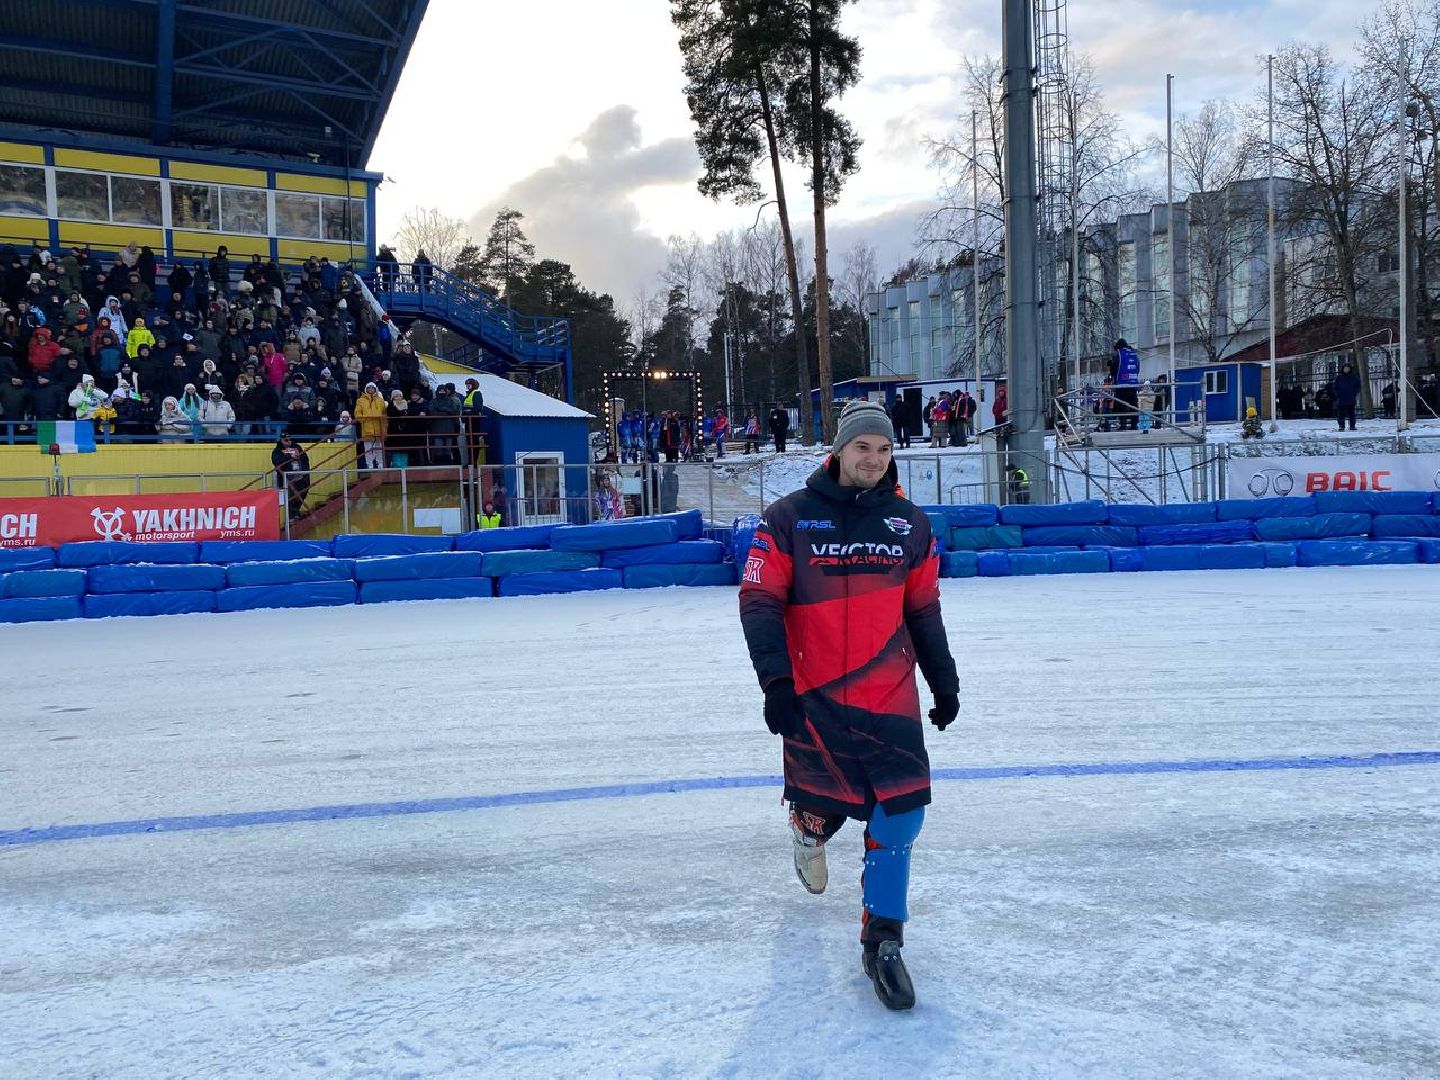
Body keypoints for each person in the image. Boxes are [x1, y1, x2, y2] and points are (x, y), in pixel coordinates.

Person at [738, 399, 959, 1011]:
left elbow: (924, 609)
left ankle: (883, 939)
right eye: (863, 447)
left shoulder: (909, 524)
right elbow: (759, 602)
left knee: (902, 818)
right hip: (814, 696)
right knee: (826, 809)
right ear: (838, 450)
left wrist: (945, 681)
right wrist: (775, 684)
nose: (874, 458)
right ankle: (808, 829)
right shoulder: (787, 519)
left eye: (884, 449)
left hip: (889, 697)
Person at [272, 431, 311, 520]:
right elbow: (276, 461)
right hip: (287, 478)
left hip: (300, 475)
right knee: (289, 496)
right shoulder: (277, 450)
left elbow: (305, 459)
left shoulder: (297, 447)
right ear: (281, 440)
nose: (288, 441)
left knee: (303, 492)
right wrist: (290, 457)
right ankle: (292, 516)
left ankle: (296, 511)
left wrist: (305, 471)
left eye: (290, 439)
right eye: (286, 440)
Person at [354, 381, 388, 469]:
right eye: (369, 388)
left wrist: (384, 425)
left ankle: (380, 463)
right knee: (368, 448)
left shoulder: (380, 400)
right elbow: (357, 414)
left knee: (379, 448)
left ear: (375, 389)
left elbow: (384, 414)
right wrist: (365, 420)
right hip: (367, 427)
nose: (371, 389)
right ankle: (369, 464)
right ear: (366, 389)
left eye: (372, 388)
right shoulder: (360, 400)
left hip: (378, 427)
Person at [1109, 339, 1141, 429]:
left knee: (1121, 404)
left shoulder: (1118, 354)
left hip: (1121, 384)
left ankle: (1123, 424)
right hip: (1133, 384)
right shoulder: (1134, 354)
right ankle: (1134, 424)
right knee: (1133, 405)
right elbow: (1138, 368)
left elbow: (1114, 369)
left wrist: (1111, 368)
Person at [1332, 362, 1360, 432]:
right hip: (1341, 398)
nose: (1346, 369)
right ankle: (1341, 426)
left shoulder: (1354, 377)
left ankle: (1352, 426)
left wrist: (1354, 393)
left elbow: (1358, 386)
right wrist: (1338, 394)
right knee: (1341, 413)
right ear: (1343, 369)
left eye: (1348, 368)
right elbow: (1335, 387)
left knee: (1352, 413)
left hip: (1351, 398)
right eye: (1345, 368)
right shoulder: (1339, 377)